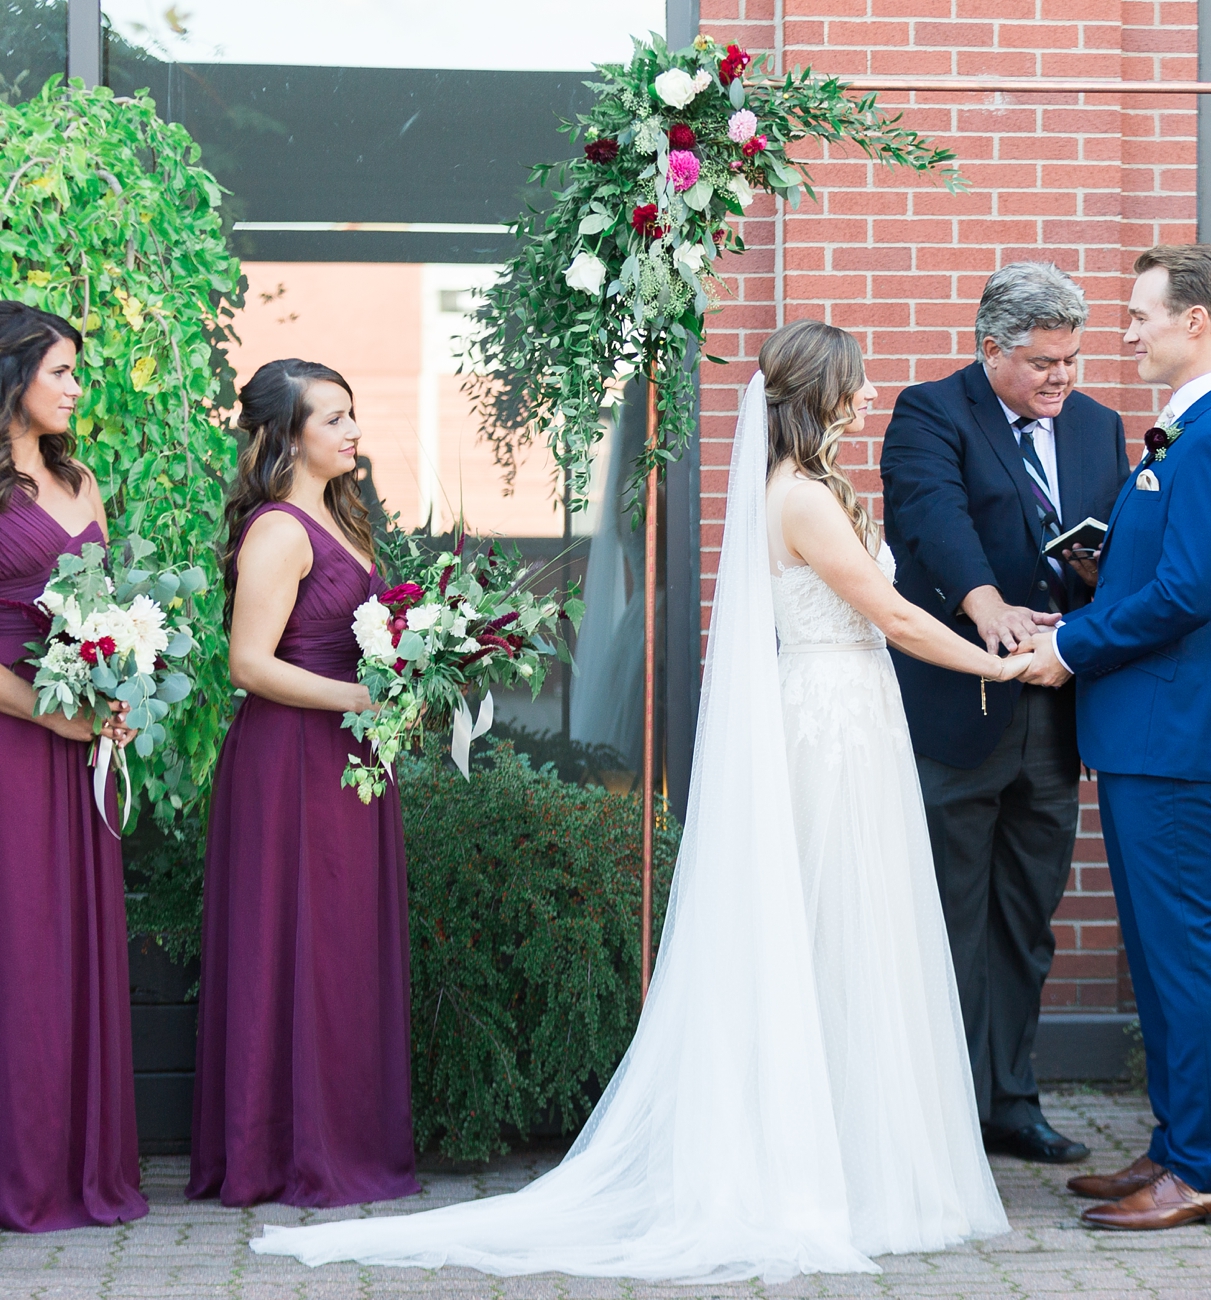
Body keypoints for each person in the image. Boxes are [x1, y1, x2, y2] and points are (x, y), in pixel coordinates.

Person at [250, 321, 1015, 1282]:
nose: (866, 400)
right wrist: (1004, 665)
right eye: (856, 386)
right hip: (830, 722)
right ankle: (826, 1169)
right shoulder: (802, 498)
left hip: (855, 719)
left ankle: (863, 1160)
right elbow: (895, 615)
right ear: (828, 394)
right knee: (829, 923)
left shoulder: (815, 489)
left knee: (858, 929)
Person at [1021, 243, 1211, 1231]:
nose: (1124, 332)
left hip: (1169, 733)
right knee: (1159, 950)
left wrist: (1075, 644)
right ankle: (1175, 1145)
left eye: (1138, 315)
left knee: (1179, 953)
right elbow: (1160, 574)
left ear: (1196, 322)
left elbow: (1192, 591)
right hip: (1144, 730)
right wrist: (1087, 596)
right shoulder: (1186, 432)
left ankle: (1204, 1165)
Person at [881, 262, 1126, 1165]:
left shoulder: (1101, 427)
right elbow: (929, 517)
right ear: (991, 350)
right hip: (960, 705)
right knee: (947, 915)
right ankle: (937, 1110)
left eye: (1072, 359)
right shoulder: (931, 412)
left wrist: (1105, 586)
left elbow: (1119, 543)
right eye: (1043, 362)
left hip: (1056, 712)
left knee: (1026, 917)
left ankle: (1010, 1104)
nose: (1063, 378)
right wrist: (984, 601)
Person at [186, 359, 420, 1209]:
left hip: (347, 758)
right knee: (295, 939)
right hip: (290, 761)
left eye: (353, 414)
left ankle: (343, 1135)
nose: (354, 430)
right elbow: (249, 664)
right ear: (288, 436)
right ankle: (283, 1151)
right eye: (335, 419)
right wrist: (359, 696)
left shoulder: (342, 518)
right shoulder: (282, 531)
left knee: (343, 943)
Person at [0, 302, 147, 1233]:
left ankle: (73, 1162)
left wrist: (123, 685)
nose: (75, 388)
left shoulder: (81, 478)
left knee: (70, 946)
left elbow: (106, 606)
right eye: (60, 371)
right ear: (13, 377)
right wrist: (50, 716)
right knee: (20, 949)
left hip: (77, 742)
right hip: (16, 737)